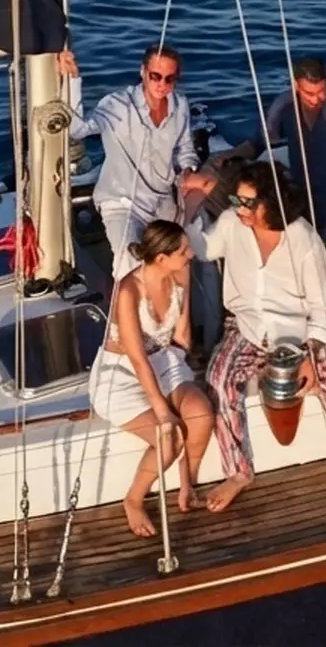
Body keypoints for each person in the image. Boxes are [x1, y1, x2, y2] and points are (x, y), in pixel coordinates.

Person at [191, 163, 326, 533]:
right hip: (246, 329)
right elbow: (201, 247)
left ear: (271, 203)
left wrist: (310, 354)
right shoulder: (231, 222)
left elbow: (320, 305)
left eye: (248, 202)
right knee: (218, 377)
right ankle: (238, 472)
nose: (239, 208)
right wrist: (190, 203)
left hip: (300, 334)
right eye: (236, 200)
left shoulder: (302, 239)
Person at [86, 220, 216, 537]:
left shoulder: (181, 273)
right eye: (184, 251)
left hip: (163, 359)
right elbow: (137, 358)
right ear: (161, 258)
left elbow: (182, 334)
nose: (190, 255)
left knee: (201, 414)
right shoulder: (128, 292)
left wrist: (189, 370)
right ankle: (133, 499)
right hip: (121, 374)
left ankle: (188, 485)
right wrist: (162, 410)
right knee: (167, 438)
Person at [58, 44, 216, 278]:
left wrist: (187, 170)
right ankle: (126, 312)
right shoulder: (117, 104)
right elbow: (77, 130)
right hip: (122, 203)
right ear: (143, 72)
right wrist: (72, 81)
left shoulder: (180, 105)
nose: (162, 84)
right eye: (156, 76)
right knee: (129, 262)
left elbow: (185, 149)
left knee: (187, 257)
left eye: (170, 78)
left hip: (163, 203)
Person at [226, 58, 326, 269]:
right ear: (296, 86)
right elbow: (261, 141)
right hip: (300, 196)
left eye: (322, 91)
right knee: (302, 261)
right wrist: (230, 159)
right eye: (309, 93)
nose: (317, 98)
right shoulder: (283, 105)